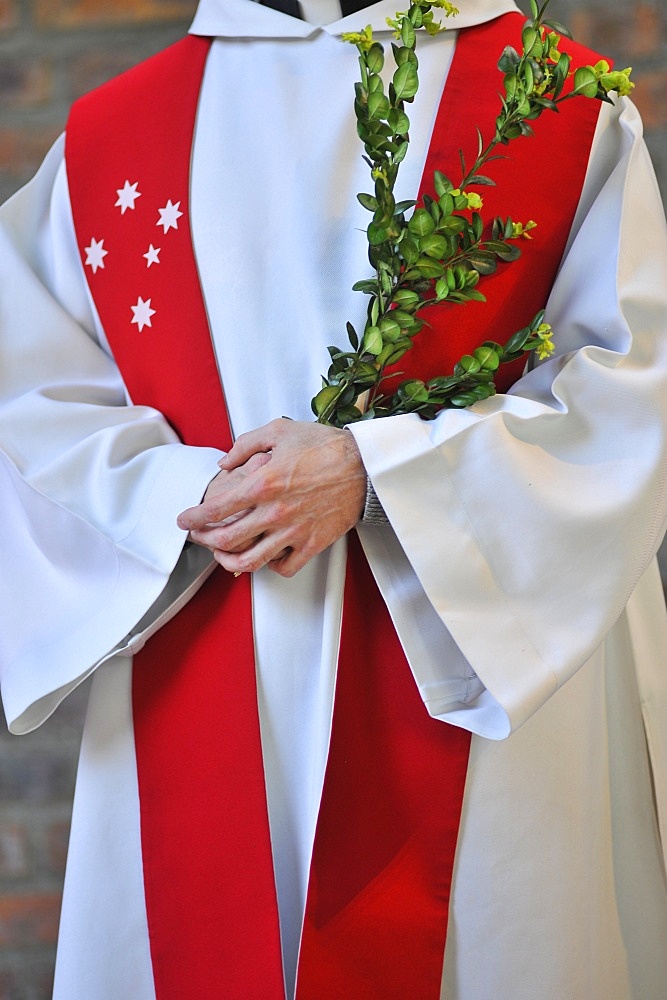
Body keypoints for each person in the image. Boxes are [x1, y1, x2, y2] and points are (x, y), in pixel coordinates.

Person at [1, 0, 666, 997]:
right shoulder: (113, 137)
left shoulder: (560, 110)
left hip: (484, 671)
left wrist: (378, 476)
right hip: (210, 625)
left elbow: (629, 395)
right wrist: (189, 498)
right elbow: (29, 395)